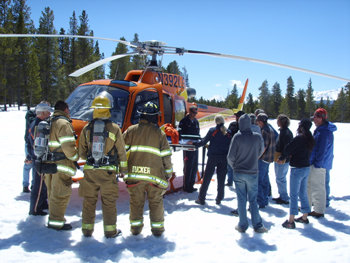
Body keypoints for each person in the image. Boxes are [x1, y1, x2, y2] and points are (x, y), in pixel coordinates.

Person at [78, 93, 128, 238]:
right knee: (109, 203)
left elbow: (81, 154)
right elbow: (121, 152)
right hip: (108, 172)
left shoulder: (86, 129)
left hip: (90, 171)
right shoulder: (114, 128)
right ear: (108, 109)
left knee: (89, 202)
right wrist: (123, 170)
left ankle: (87, 230)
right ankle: (110, 232)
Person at [123, 102, 173, 237]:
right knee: (156, 202)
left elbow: (121, 152)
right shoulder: (160, 134)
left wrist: (122, 170)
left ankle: (135, 229)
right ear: (155, 116)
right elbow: (166, 156)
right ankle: (157, 230)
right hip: (154, 176)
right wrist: (168, 173)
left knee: (136, 202)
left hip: (134, 176)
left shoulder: (131, 131)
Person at [227, 114, 267, 233]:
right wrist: (253, 160)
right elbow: (260, 151)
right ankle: (258, 225)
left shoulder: (237, 137)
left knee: (241, 199)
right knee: (253, 200)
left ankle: (242, 225)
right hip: (253, 172)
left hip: (239, 172)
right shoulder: (257, 137)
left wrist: (234, 166)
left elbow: (230, 157)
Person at [45, 100, 79, 230]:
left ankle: (53, 218)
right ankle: (56, 222)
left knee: (52, 193)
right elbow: (68, 147)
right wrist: (75, 157)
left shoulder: (49, 121)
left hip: (48, 164)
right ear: (65, 110)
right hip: (61, 165)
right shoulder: (63, 124)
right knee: (60, 194)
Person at [281, 118, 315, 229]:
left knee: (294, 195)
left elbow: (287, 149)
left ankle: (291, 220)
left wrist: (286, 155)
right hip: (306, 168)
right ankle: (304, 216)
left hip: (297, 169)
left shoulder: (299, 138)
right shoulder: (310, 139)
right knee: (303, 193)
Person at [195, 115, 231, 205]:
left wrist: (195, 144)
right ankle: (219, 198)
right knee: (221, 179)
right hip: (224, 158)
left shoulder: (212, 131)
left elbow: (204, 141)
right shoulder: (228, 132)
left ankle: (201, 198)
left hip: (213, 158)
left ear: (216, 122)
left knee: (207, 178)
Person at [308, 108, 337, 218]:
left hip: (319, 164)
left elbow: (321, 150)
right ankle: (311, 205)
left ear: (322, 118)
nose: (314, 120)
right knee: (312, 184)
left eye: (316, 117)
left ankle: (319, 210)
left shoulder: (324, 132)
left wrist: (317, 164)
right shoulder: (320, 130)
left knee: (318, 186)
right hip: (318, 163)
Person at [27, 102, 52, 216]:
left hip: (37, 157)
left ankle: (42, 203)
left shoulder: (35, 123)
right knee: (39, 185)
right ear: (42, 113)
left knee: (43, 185)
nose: (49, 113)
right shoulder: (39, 125)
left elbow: (28, 141)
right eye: (47, 112)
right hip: (39, 159)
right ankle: (35, 208)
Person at [178, 104, 200, 193]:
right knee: (188, 166)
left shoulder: (196, 122)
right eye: (194, 112)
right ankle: (186, 186)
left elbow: (197, 134)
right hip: (187, 147)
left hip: (195, 146)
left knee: (194, 166)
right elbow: (180, 134)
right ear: (190, 112)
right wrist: (186, 142)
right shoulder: (183, 121)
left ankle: (191, 185)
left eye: (196, 112)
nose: (195, 114)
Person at [256, 113, 276, 208]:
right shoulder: (270, 129)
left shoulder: (264, 131)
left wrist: (256, 156)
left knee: (259, 181)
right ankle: (265, 198)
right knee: (264, 179)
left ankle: (261, 201)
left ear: (260, 122)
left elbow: (263, 146)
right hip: (269, 158)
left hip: (263, 159)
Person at [273, 114, 293, 205]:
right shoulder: (284, 131)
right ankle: (282, 195)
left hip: (282, 158)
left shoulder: (285, 133)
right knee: (280, 178)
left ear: (281, 122)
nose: (277, 122)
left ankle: (284, 197)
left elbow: (287, 147)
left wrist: (282, 157)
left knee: (280, 178)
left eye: (278, 120)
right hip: (280, 156)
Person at [225, 110, 245, 187]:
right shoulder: (232, 124)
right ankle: (229, 181)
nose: (236, 117)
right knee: (229, 166)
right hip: (231, 148)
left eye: (238, 116)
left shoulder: (245, 126)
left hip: (241, 150)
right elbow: (227, 134)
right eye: (236, 116)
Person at [23, 108, 36, 193]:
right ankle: (25, 185)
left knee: (34, 165)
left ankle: (32, 184)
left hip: (34, 144)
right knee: (29, 165)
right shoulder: (31, 116)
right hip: (29, 143)